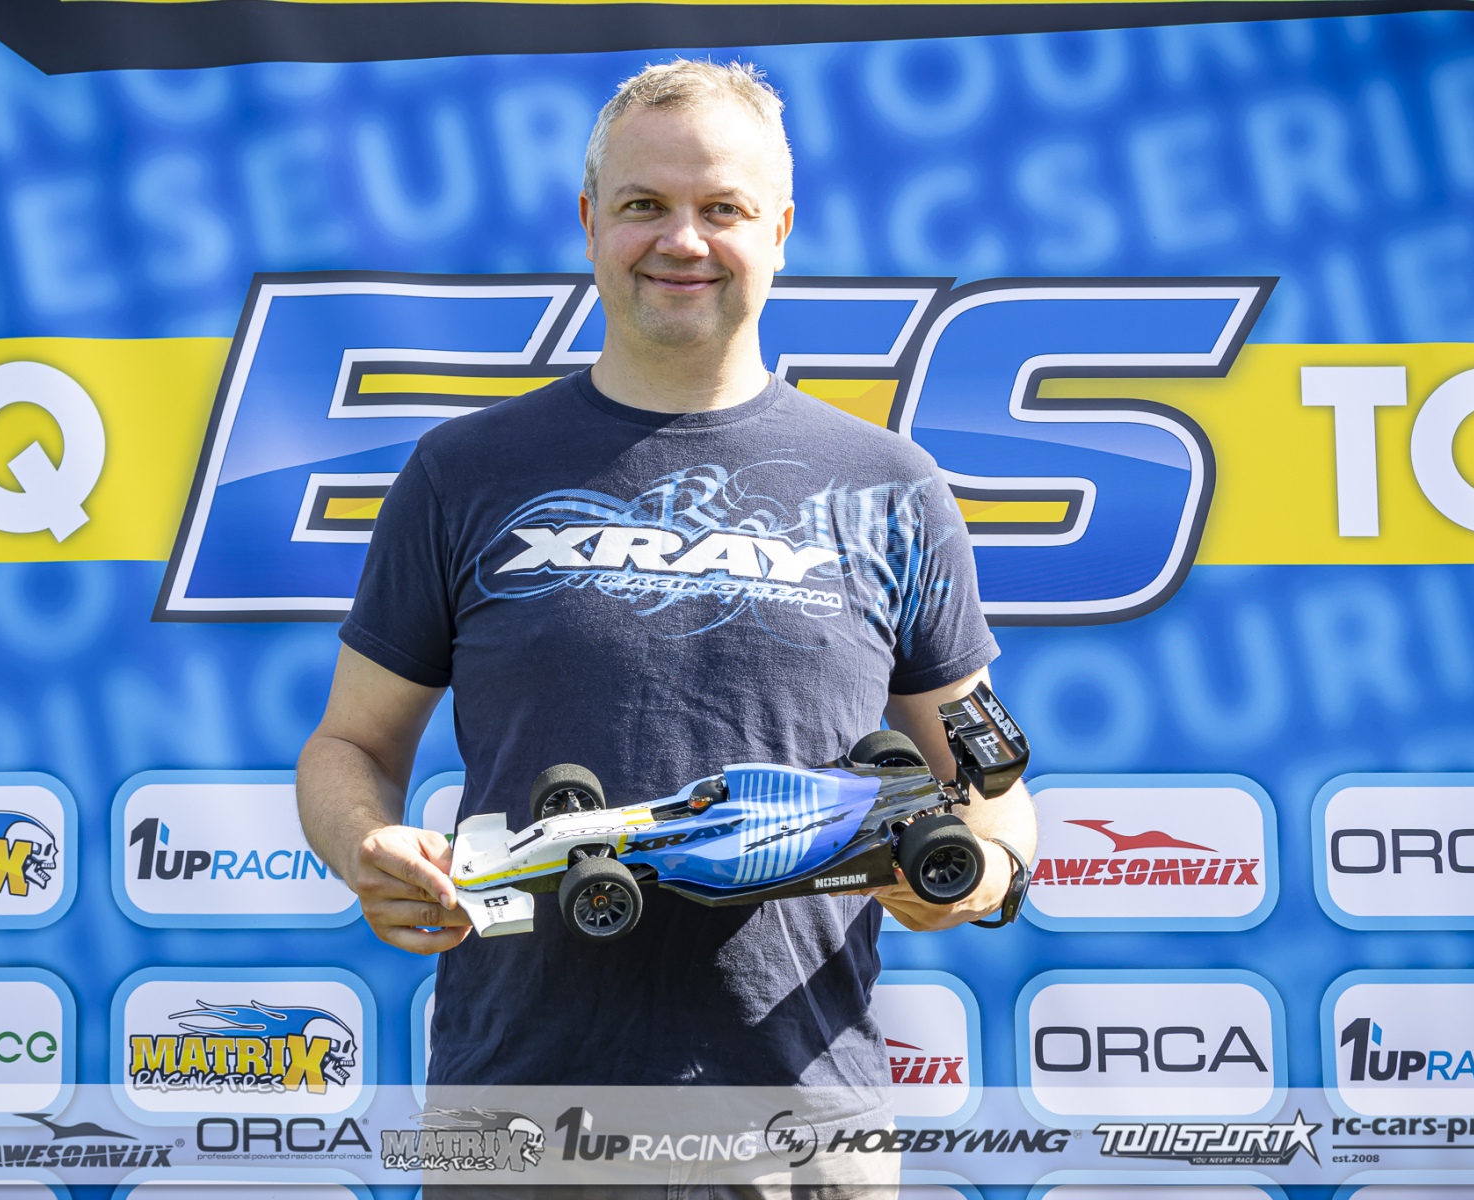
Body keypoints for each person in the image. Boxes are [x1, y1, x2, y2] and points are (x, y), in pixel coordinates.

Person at [296, 58, 1038, 1195]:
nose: (682, 240)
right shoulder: (462, 474)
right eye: (645, 203)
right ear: (591, 221)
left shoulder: (892, 488)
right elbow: (349, 745)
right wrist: (366, 844)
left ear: (779, 229)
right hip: (515, 1117)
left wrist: (982, 869)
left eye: (722, 208)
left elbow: (989, 776)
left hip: (805, 1129)